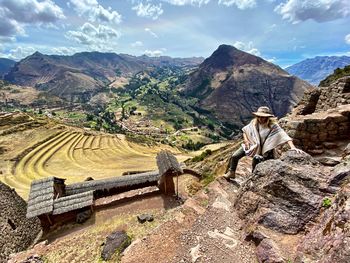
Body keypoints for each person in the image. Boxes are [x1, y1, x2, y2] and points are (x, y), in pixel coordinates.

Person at [224, 106, 303, 180]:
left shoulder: (273, 126)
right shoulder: (254, 122)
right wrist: (246, 141)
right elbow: (245, 131)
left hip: (263, 149)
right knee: (235, 156)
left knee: (256, 160)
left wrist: (292, 147)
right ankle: (232, 172)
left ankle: (253, 178)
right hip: (251, 145)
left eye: (263, 117)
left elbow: (284, 136)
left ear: (267, 117)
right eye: (259, 116)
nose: (260, 118)